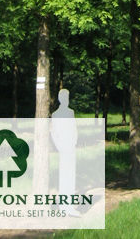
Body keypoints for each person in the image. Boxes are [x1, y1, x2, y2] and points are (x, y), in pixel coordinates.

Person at [50, 88, 79, 216]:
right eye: (64, 97)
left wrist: (74, 142)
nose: (66, 100)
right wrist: (59, 146)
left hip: (70, 147)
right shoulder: (55, 115)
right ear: (60, 99)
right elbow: (54, 132)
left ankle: (70, 206)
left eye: (67, 97)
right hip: (63, 148)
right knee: (64, 176)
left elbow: (74, 129)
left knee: (71, 176)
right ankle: (63, 206)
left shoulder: (71, 112)